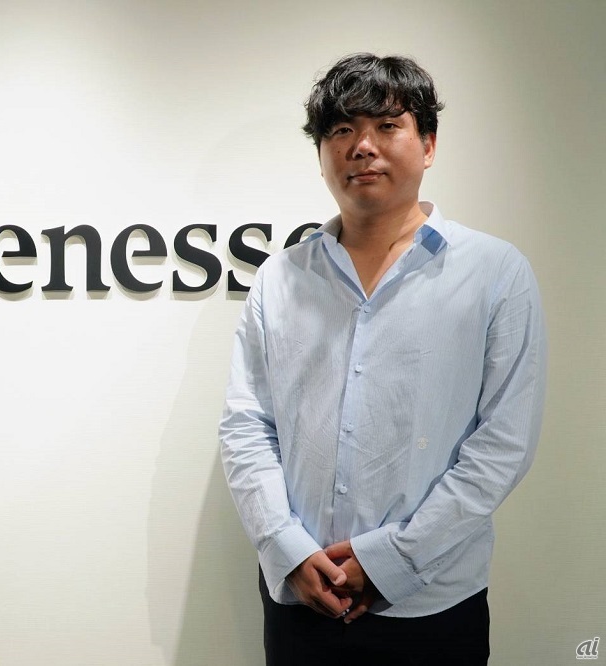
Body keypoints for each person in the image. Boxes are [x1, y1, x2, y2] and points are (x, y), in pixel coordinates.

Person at [218, 53, 546, 665]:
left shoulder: (496, 273)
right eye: (342, 130)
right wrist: (286, 547)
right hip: (301, 595)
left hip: (431, 601)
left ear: (429, 145)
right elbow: (248, 425)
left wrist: (392, 559)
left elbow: (503, 443)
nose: (362, 146)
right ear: (321, 154)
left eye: (387, 126)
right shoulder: (279, 279)